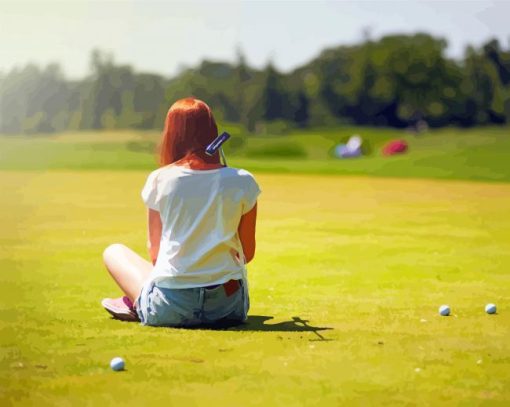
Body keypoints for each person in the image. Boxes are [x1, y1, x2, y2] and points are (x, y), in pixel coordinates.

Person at [101, 97, 261, 327]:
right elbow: (247, 254)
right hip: (228, 308)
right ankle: (143, 300)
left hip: (169, 306)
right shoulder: (244, 181)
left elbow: (155, 254)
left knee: (113, 251)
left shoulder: (160, 179)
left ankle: (141, 301)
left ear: (172, 134)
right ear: (212, 131)